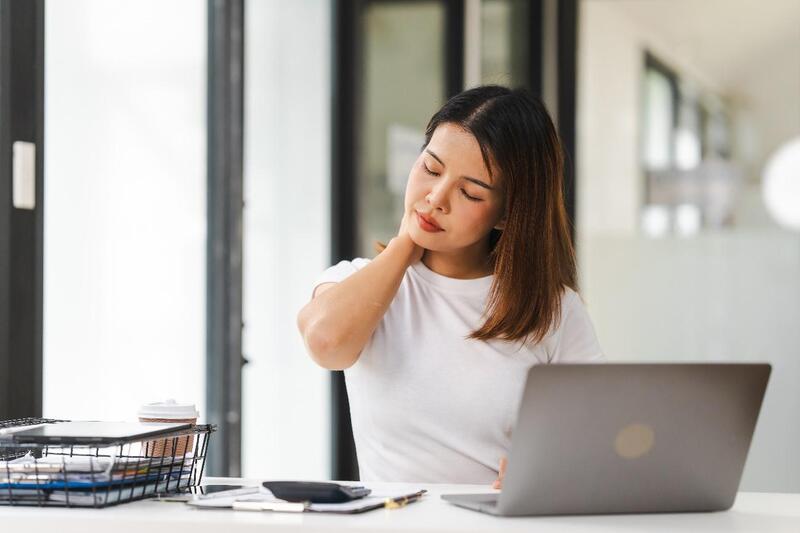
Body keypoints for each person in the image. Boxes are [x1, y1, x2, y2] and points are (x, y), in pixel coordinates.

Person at [297, 85, 604, 488]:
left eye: (470, 192)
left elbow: (598, 440)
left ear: (507, 214)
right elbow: (327, 345)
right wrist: (404, 245)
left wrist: (550, 474)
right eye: (431, 169)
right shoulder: (355, 282)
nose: (436, 198)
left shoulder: (553, 310)